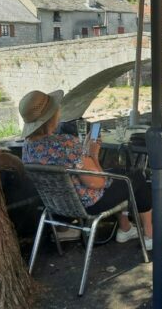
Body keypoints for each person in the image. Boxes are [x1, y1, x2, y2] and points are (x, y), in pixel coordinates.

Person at [19, 90, 154, 250]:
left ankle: (125, 228)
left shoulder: (28, 147)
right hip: (90, 203)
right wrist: (93, 155)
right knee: (136, 177)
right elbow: (99, 182)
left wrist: (83, 153)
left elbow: (74, 166)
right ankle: (149, 234)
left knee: (117, 173)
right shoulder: (66, 144)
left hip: (57, 205)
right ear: (52, 115)